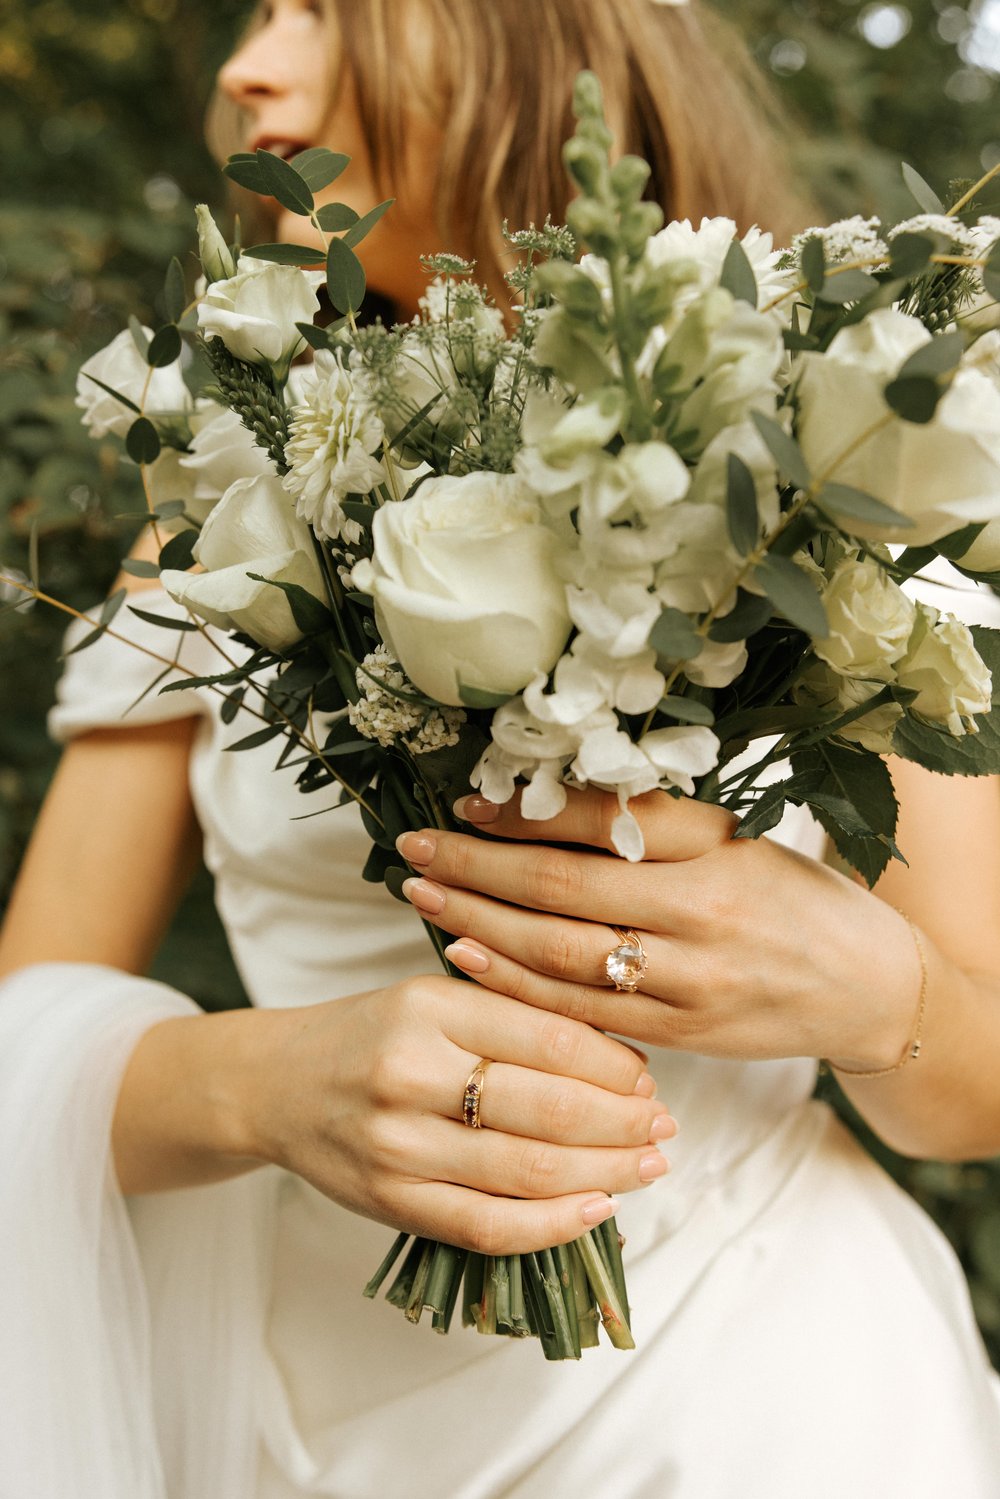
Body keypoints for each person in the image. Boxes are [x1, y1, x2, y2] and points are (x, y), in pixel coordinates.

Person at [2, 1, 1000, 1494]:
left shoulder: (820, 477)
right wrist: (267, 1085)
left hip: (762, 1400)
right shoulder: (217, 534)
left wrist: (880, 992)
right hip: (302, 1414)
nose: (241, 67)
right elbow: (30, 1035)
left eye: (313, 11)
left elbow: (979, 1083)